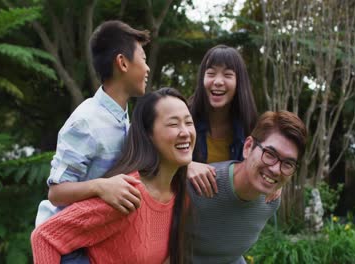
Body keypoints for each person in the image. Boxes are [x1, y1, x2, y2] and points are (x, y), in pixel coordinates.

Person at [31, 88, 195, 264]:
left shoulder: (180, 196)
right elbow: (45, 237)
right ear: (149, 135)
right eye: (173, 124)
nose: (185, 132)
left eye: (189, 122)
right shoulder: (127, 194)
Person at [35, 20, 150, 228]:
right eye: (143, 59)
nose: (148, 68)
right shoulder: (86, 121)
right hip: (67, 243)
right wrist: (101, 186)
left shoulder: (122, 117)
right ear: (123, 63)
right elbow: (56, 193)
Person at [187, 110, 308, 264]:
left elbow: (231, 256)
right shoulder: (200, 184)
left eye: (288, 164)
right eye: (270, 154)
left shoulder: (270, 202)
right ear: (248, 147)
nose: (276, 170)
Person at [187, 44, 280, 201]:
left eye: (227, 75)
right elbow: (160, 158)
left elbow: (264, 165)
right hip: (185, 213)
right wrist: (186, 166)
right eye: (210, 73)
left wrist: (275, 182)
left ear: (239, 83)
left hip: (229, 214)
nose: (218, 81)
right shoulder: (184, 118)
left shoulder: (250, 129)